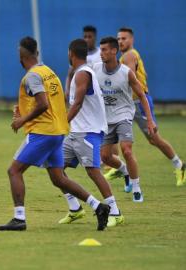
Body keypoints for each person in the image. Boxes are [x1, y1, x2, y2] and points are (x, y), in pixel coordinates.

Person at [0, 37, 110, 232]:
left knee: (14, 171)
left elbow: (43, 104)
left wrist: (22, 120)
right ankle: (98, 206)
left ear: (21, 55)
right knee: (58, 178)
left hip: (43, 133)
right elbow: (51, 102)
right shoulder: (48, 72)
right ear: (36, 54)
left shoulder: (32, 76)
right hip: (57, 132)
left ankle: (19, 218)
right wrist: (24, 110)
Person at [107, 27, 185, 187]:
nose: (121, 41)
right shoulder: (126, 57)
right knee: (117, 132)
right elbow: (139, 76)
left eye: (124, 38)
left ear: (131, 40)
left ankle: (180, 165)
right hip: (128, 103)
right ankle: (122, 167)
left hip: (139, 103)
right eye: (119, 39)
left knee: (154, 139)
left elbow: (129, 79)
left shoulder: (129, 55)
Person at [58, 39, 124, 227]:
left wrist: (62, 123)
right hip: (76, 132)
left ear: (71, 53)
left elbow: (77, 104)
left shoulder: (82, 74)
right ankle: (75, 208)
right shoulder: (79, 72)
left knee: (93, 172)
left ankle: (116, 212)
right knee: (55, 168)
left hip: (88, 132)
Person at [93, 36, 156, 202]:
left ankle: (136, 188)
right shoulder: (96, 69)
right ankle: (125, 171)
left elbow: (142, 95)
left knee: (126, 149)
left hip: (124, 115)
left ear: (114, 51)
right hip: (106, 119)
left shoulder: (126, 73)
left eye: (105, 49)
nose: (101, 53)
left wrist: (150, 120)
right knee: (105, 157)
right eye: (101, 49)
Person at [65, 25, 102, 99]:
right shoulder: (78, 55)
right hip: (82, 91)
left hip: (98, 92)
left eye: (89, 37)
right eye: (85, 37)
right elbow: (70, 74)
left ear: (95, 38)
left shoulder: (101, 53)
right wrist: (67, 91)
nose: (87, 39)